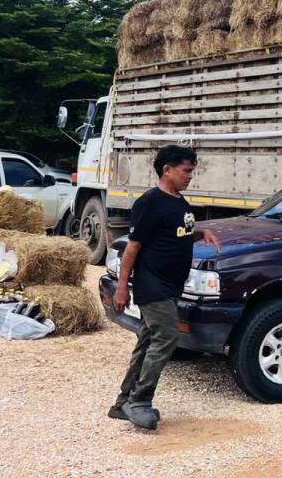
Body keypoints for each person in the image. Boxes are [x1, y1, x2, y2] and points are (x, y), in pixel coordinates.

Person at [111, 145, 221, 430]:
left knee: (148, 340)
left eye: (191, 171)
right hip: (153, 285)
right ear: (167, 170)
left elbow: (176, 234)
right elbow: (132, 249)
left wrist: (201, 232)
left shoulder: (178, 200)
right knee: (167, 338)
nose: (190, 176)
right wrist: (122, 287)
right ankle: (140, 401)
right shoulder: (150, 202)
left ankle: (124, 402)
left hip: (171, 286)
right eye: (186, 171)